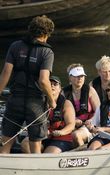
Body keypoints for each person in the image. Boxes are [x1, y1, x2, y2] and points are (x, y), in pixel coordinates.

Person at [0, 15, 56, 154]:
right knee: (35, 143)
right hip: (35, 104)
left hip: (14, 100)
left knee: (6, 141)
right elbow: (44, 80)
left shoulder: (15, 46)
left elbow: (5, 74)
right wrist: (51, 100)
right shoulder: (47, 52)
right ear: (46, 34)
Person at [21, 76, 75, 153]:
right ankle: (35, 162)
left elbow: (71, 125)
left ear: (60, 89)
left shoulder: (66, 103)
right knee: (25, 144)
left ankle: (40, 161)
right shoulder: (39, 102)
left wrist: (60, 132)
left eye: (55, 84)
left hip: (61, 138)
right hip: (42, 137)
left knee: (49, 153)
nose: (52, 86)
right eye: (49, 84)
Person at [63, 63, 100, 147]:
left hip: (90, 125)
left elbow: (99, 111)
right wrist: (73, 121)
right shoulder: (64, 93)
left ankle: (84, 155)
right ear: (70, 77)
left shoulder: (90, 90)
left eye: (82, 76)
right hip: (71, 124)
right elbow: (61, 113)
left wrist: (91, 120)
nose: (80, 78)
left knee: (76, 135)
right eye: (77, 76)